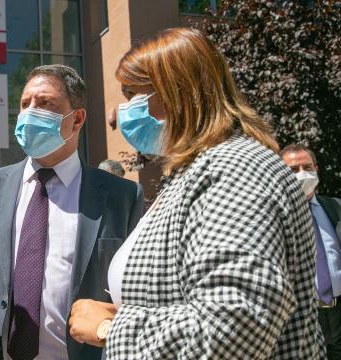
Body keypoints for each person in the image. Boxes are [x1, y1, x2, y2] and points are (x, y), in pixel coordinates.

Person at [68, 28, 325, 359]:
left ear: (179, 92)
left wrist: (111, 331)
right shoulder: (196, 172)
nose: (117, 112)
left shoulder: (235, 168)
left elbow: (236, 327)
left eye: (133, 94)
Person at [0, 64, 144, 360]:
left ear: (77, 118)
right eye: (25, 104)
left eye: (45, 104)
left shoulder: (122, 196)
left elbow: (136, 287)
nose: (30, 112)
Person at [281, 143, 341, 358]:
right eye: (293, 170)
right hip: (303, 315)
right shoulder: (277, 216)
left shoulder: (336, 207)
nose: (302, 174)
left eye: (307, 167)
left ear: (317, 169)